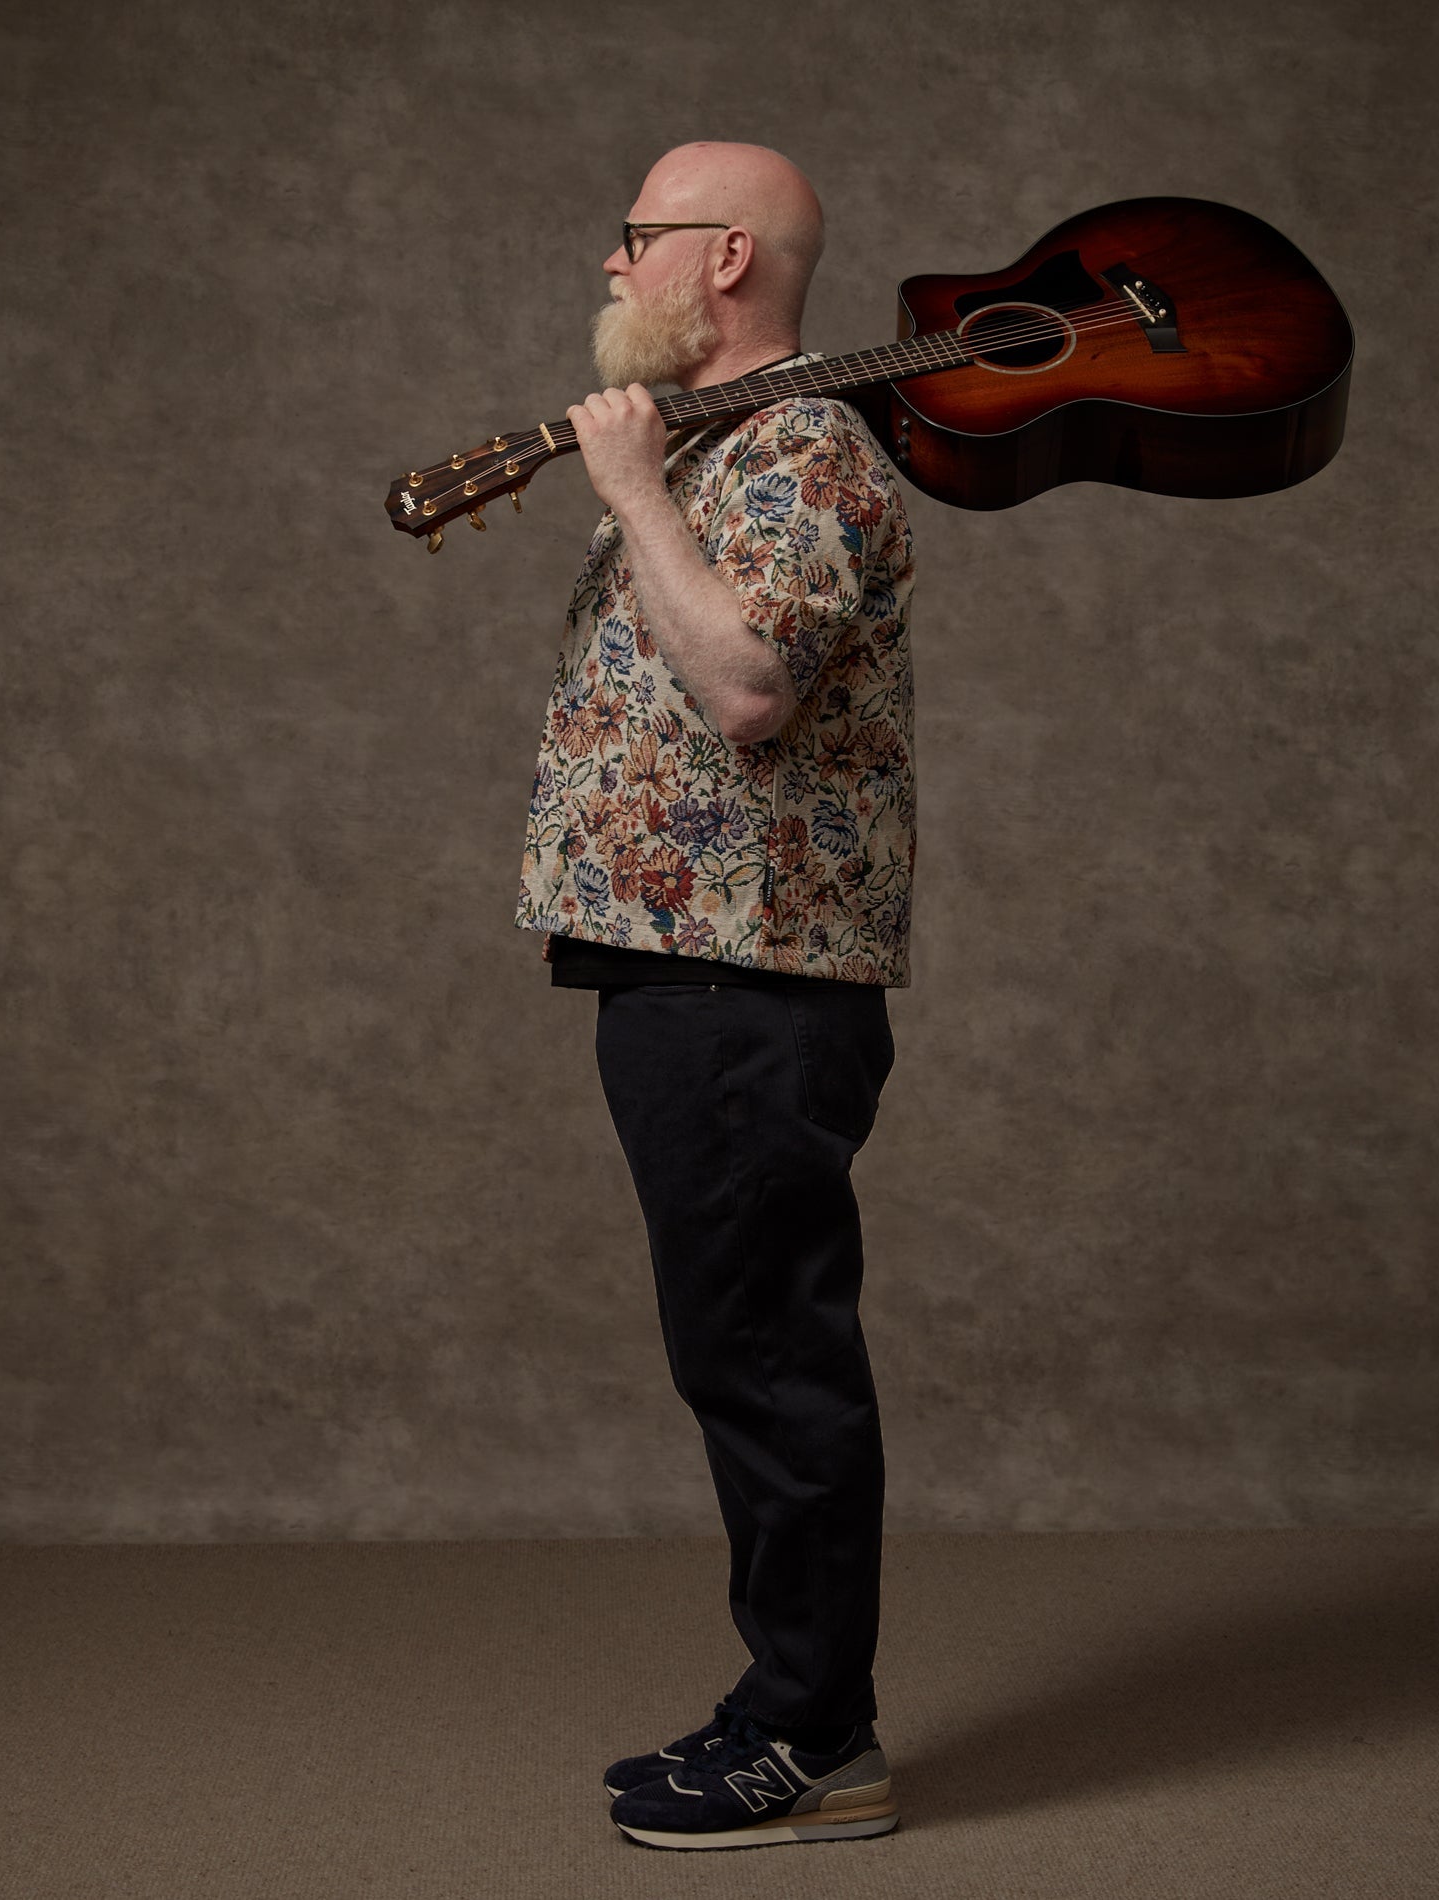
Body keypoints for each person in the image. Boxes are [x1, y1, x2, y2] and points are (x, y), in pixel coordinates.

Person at [512, 140, 915, 1851]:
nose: (613, 265)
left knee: (765, 1353)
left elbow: (749, 685)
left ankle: (813, 1738)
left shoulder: (803, 447)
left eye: (637, 237)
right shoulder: (721, 447)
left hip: (751, 977)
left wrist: (631, 493)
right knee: (739, 1344)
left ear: (725, 254)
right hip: (685, 972)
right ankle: (799, 1710)